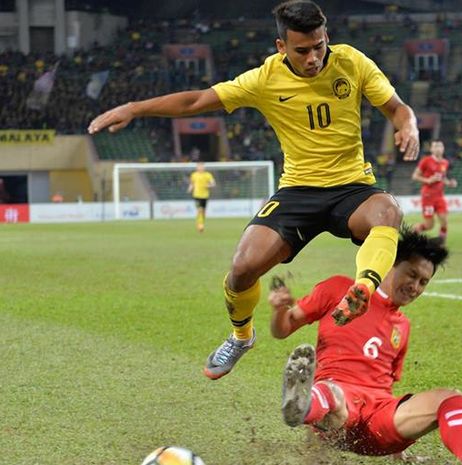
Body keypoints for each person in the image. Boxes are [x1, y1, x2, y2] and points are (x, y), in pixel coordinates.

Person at [87, 0, 419, 381]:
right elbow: (197, 100)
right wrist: (135, 107)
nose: (313, 57)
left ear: (326, 37)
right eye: (302, 50)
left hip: (352, 187)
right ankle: (241, 336)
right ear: (281, 48)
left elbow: (397, 107)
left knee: (388, 211)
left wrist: (408, 125)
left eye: (319, 46)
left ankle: (362, 290)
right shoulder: (265, 79)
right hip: (298, 191)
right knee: (242, 269)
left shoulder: (352, 62)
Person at [269, 228, 462, 465]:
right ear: (390, 264)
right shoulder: (339, 288)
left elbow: (387, 386)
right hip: (337, 414)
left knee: (450, 398)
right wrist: (280, 308)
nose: (415, 287)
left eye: (424, 282)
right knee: (332, 392)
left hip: (377, 421)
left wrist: (399, 452)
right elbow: (283, 329)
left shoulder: (401, 326)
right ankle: (301, 407)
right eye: (412, 275)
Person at [412, 140, 457, 242]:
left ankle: (441, 243)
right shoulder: (426, 161)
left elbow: (442, 178)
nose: (438, 148)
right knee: (429, 225)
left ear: (443, 148)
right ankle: (413, 232)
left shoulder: (445, 162)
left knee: (444, 221)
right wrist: (427, 180)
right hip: (428, 196)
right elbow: (415, 176)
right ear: (431, 149)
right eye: (435, 146)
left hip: (439, 196)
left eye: (440, 146)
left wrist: (449, 183)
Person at [187, 162, 216, 233]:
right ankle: (200, 225)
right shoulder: (194, 175)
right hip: (196, 195)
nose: (200, 168)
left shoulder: (208, 175)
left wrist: (209, 185)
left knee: (203, 211)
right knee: (199, 210)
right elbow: (192, 183)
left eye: (201, 166)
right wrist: (190, 188)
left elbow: (213, 183)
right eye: (199, 166)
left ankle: (200, 223)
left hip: (205, 195)